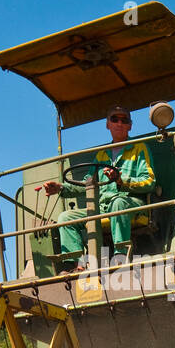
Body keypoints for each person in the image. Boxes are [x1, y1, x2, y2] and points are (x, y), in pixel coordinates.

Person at [43, 106, 156, 258]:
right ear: (108, 124)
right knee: (65, 218)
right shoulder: (102, 155)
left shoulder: (140, 148)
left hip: (131, 203)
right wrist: (61, 187)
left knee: (119, 203)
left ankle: (121, 255)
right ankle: (74, 263)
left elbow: (149, 181)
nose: (119, 123)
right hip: (103, 208)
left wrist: (121, 180)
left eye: (124, 120)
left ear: (130, 125)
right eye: (114, 119)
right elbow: (88, 184)